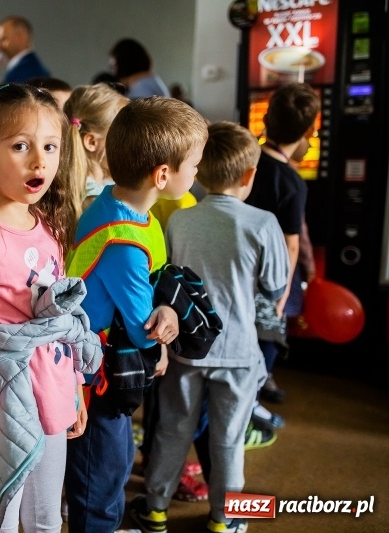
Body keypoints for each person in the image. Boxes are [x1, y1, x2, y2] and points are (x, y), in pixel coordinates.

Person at [0, 82, 102, 533]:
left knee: (48, 517)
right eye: (20, 146)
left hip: (51, 396)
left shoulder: (45, 225)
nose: (40, 161)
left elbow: (56, 317)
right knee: (2, 521)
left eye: (50, 147)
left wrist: (73, 387)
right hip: (0, 406)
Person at [129, 121, 289, 533]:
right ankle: (225, 519)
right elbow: (273, 288)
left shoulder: (181, 222)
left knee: (172, 429)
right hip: (238, 353)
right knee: (230, 439)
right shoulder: (263, 223)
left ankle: (156, 510)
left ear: (199, 170)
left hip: (186, 348)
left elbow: (167, 278)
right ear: (249, 175)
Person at [63, 96, 207, 533]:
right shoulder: (124, 239)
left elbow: (147, 292)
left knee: (118, 460)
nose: (197, 171)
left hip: (104, 364)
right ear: (163, 174)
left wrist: (161, 307)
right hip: (94, 378)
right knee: (100, 482)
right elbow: (146, 327)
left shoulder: (117, 203)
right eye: (195, 164)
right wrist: (163, 336)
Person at [245, 82, 320, 435]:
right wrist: (283, 294)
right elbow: (292, 244)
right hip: (267, 275)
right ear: (309, 130)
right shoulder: (292, 181)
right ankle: (253, 401)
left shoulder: (247, 162)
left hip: (237, 267)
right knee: (270, 338)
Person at [62, 83, 130, 213]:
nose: (130, 145)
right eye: (123, 137)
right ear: (91, 142)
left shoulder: (94, 189)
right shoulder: (95, 201)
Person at [0, 16, 50, 88]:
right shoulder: (28, 67)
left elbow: (1, 99)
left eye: (4, 39)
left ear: (20, 37)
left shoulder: (28, 71)